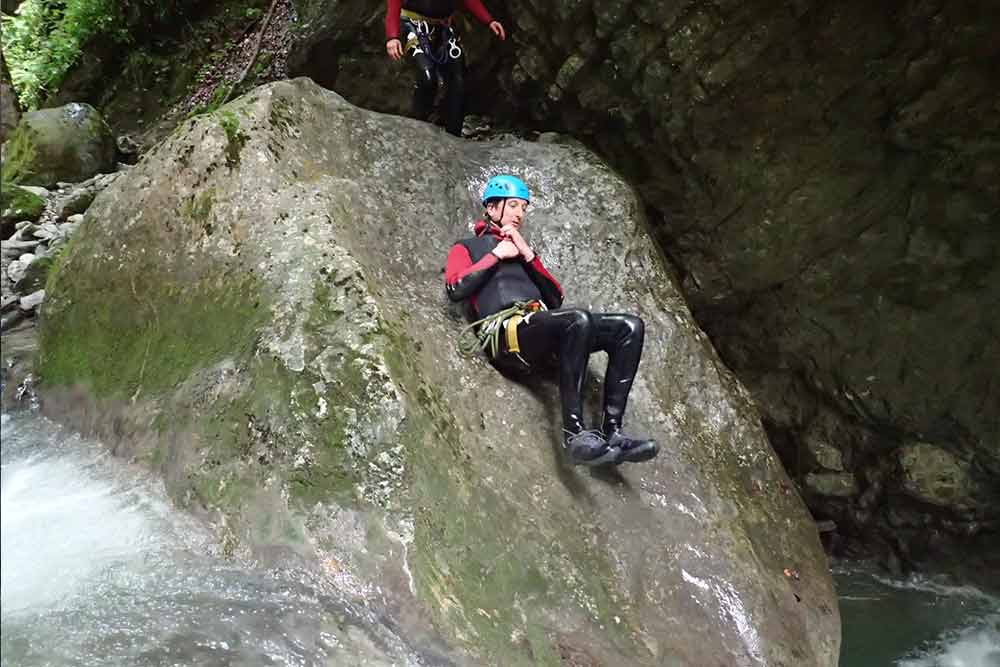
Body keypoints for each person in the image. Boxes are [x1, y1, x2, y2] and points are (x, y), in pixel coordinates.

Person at [445, 175, 659, 467]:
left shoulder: (522, 252)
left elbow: (554, 298)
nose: (520, 213)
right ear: (492, 208)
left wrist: (528, 254)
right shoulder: (467, 247)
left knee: (629, 327)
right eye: (513, 206)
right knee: (577, 319)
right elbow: (456, 287)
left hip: (541, 327)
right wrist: (496, 254)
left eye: (523, 207)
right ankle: (575, 435)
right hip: (508, 334)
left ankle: (613, 432)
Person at [385, 0, 505, 137]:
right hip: (413, 25)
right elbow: (394, 5)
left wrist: (489, 20)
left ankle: (454, 135)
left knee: (458, 82)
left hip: (443, 28)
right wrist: (392, 36)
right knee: (428, 79)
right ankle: (417, 130)